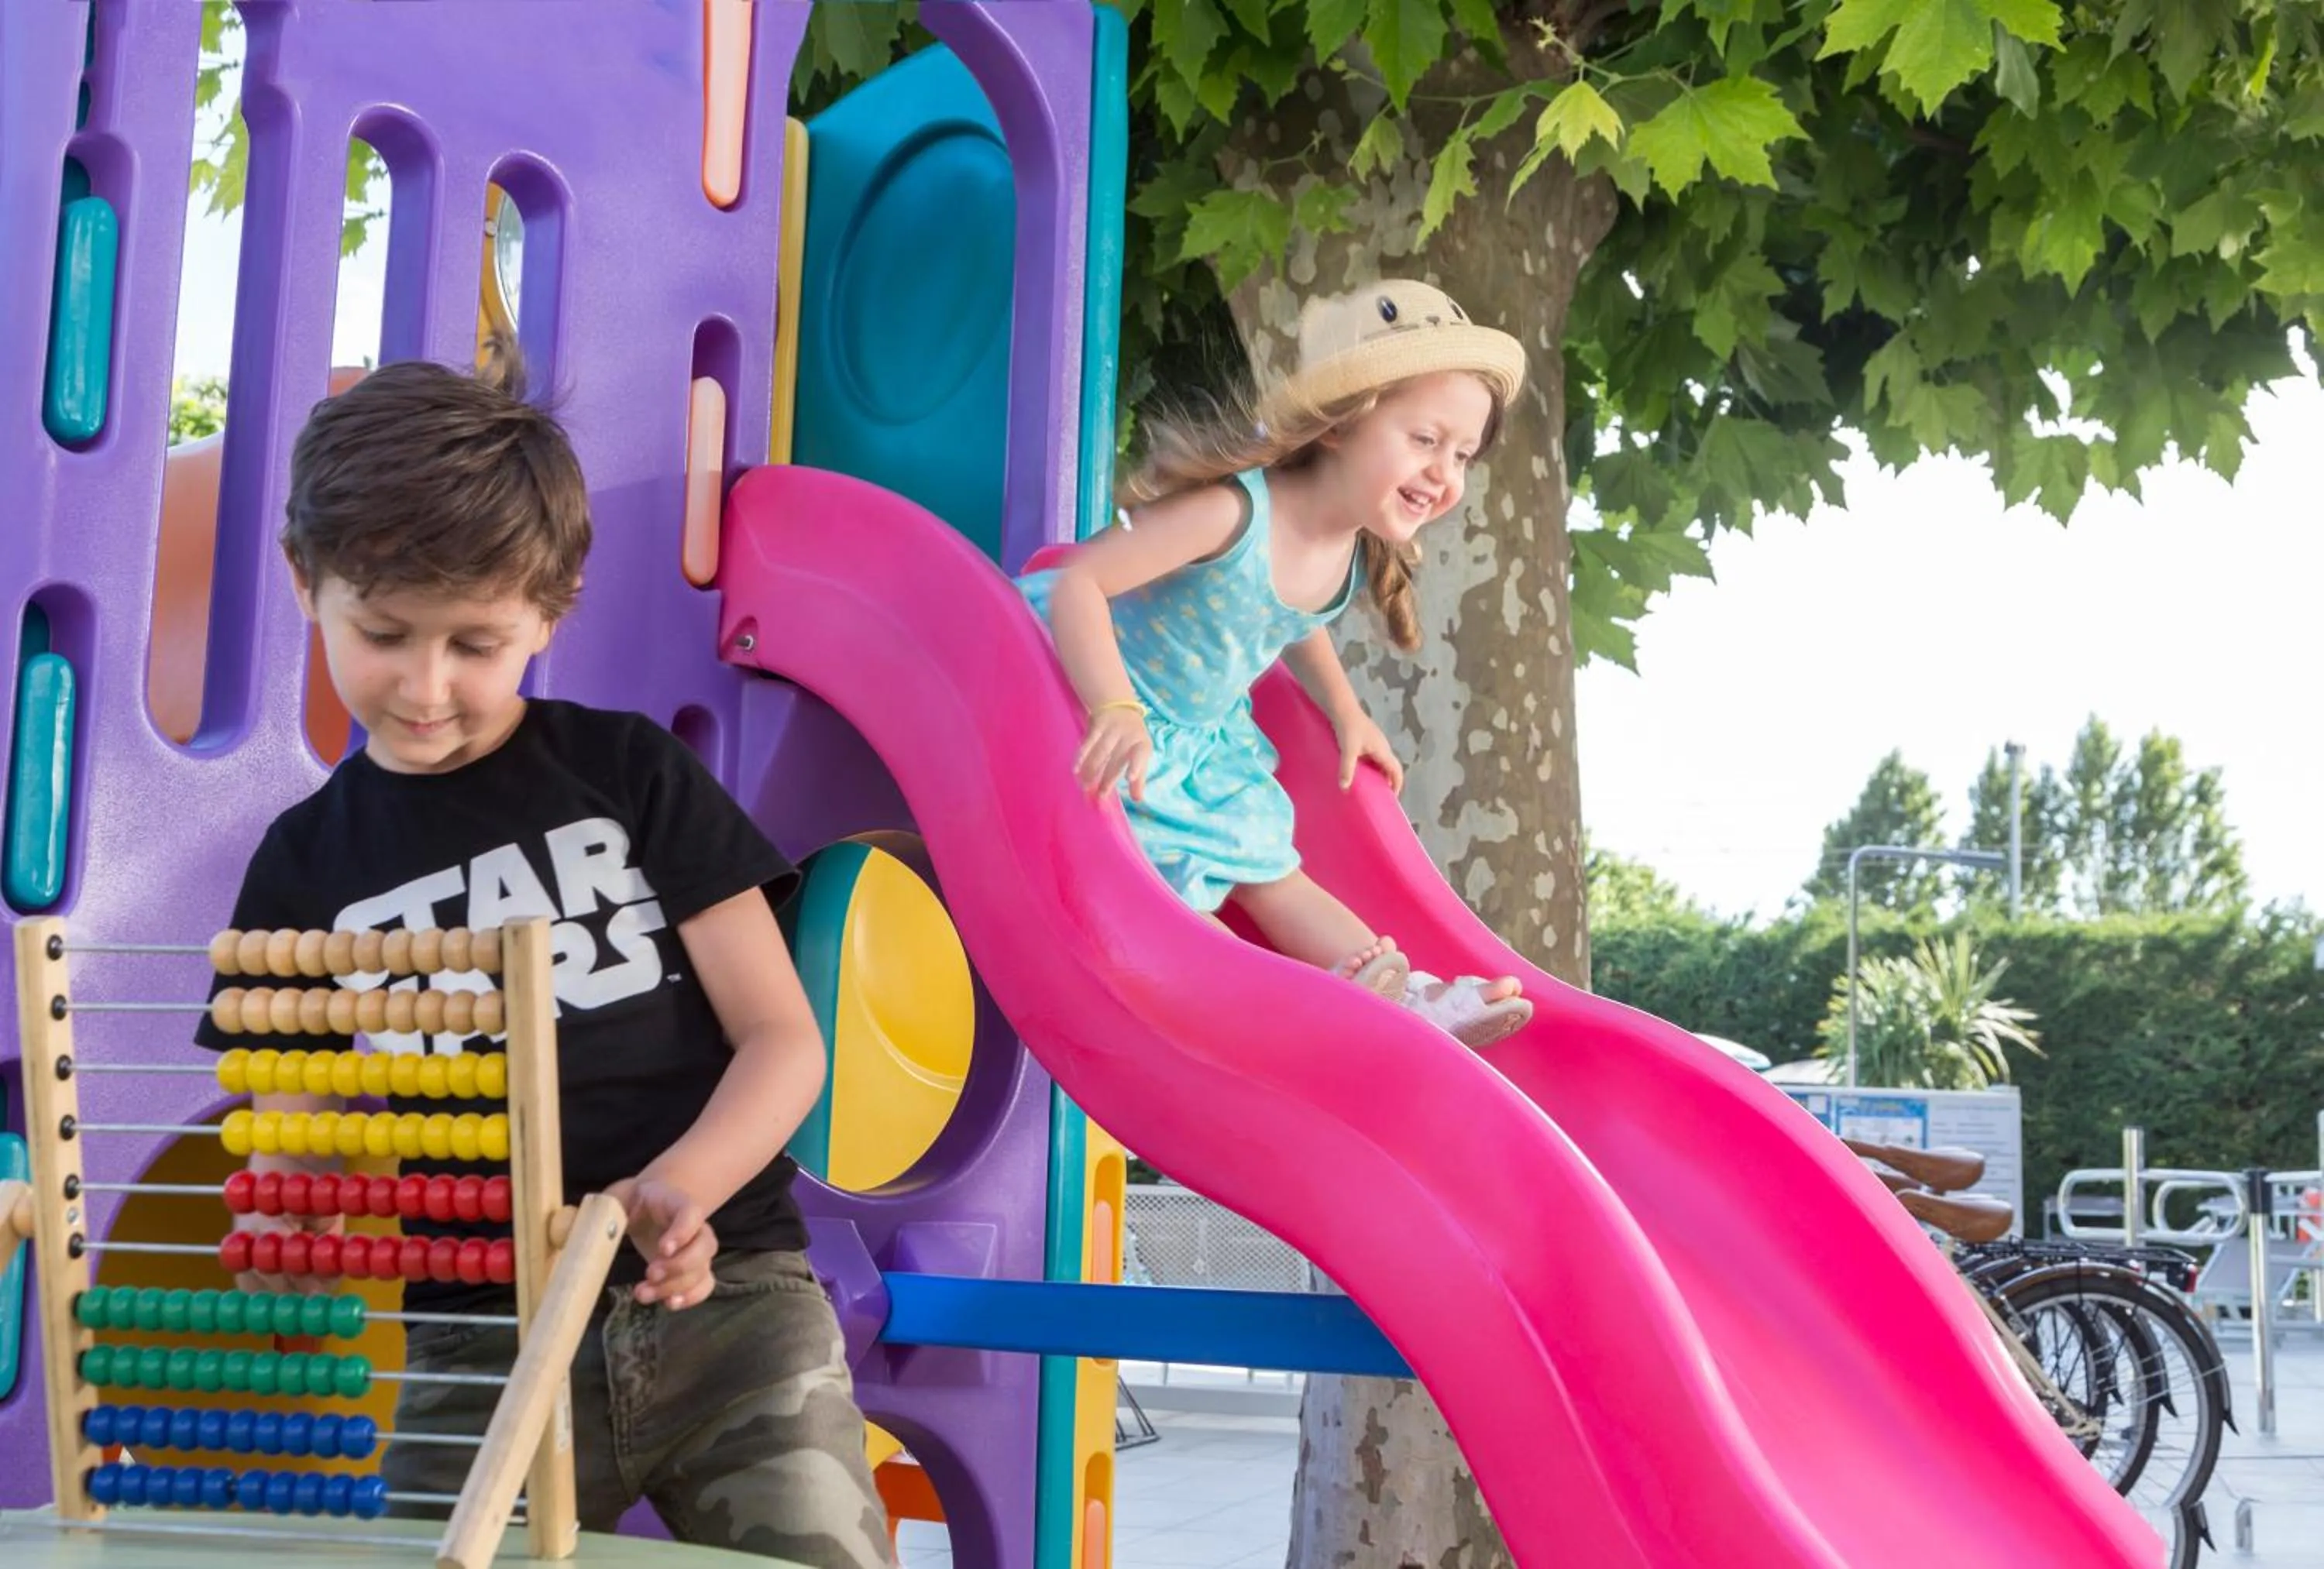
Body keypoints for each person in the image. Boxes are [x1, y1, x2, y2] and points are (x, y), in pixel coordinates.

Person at [191, 344, 896, 1567]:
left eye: (477, 643)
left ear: (549, 611)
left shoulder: (624, 774)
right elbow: (295, 1139)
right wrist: (284, 1273)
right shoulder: (303, 868)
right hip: (483, 1347)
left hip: (727, 1317)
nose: (425, 686)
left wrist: (684, 1187)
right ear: (308, 581)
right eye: (385, 633)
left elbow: (782, 1038)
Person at [1021, 280, 1534, 1049]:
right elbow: (1079, 584)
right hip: (1078, 695)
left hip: (1197, 740)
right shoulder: (1232, 513)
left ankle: (1412, 998)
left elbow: (1292, 617)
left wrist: (1346, 710)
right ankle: (1280, 1011)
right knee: (1173, 901)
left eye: (1461, 455)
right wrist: (1114, 706)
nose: (1445, 473)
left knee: (1271, 864)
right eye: (1425, 440)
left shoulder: (1349, 553)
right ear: (1340, 424)